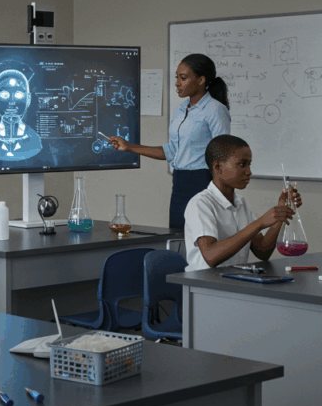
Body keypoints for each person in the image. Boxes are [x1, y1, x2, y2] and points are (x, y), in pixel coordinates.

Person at [109, 54, 231, 229]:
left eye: (183, 78)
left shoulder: (215, 110)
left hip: (203, 182)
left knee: (201, 240)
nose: (177, 83)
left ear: (201, 80)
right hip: (179, 182)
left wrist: (219, 194)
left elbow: (223, 155)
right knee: (176, 237)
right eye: (177, 78)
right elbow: (172, 151)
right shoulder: (181, 110)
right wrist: (129, 147)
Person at [184, 134, 302, 272]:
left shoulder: (241, 203)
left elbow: (262, 251)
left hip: (233, 281)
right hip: (203, 286)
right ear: (217, 167)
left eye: (249, 164)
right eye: (242, 164)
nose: (249, 171)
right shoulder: (200, 204)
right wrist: (259, 223)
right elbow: (211, 256)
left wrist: (279, 215)